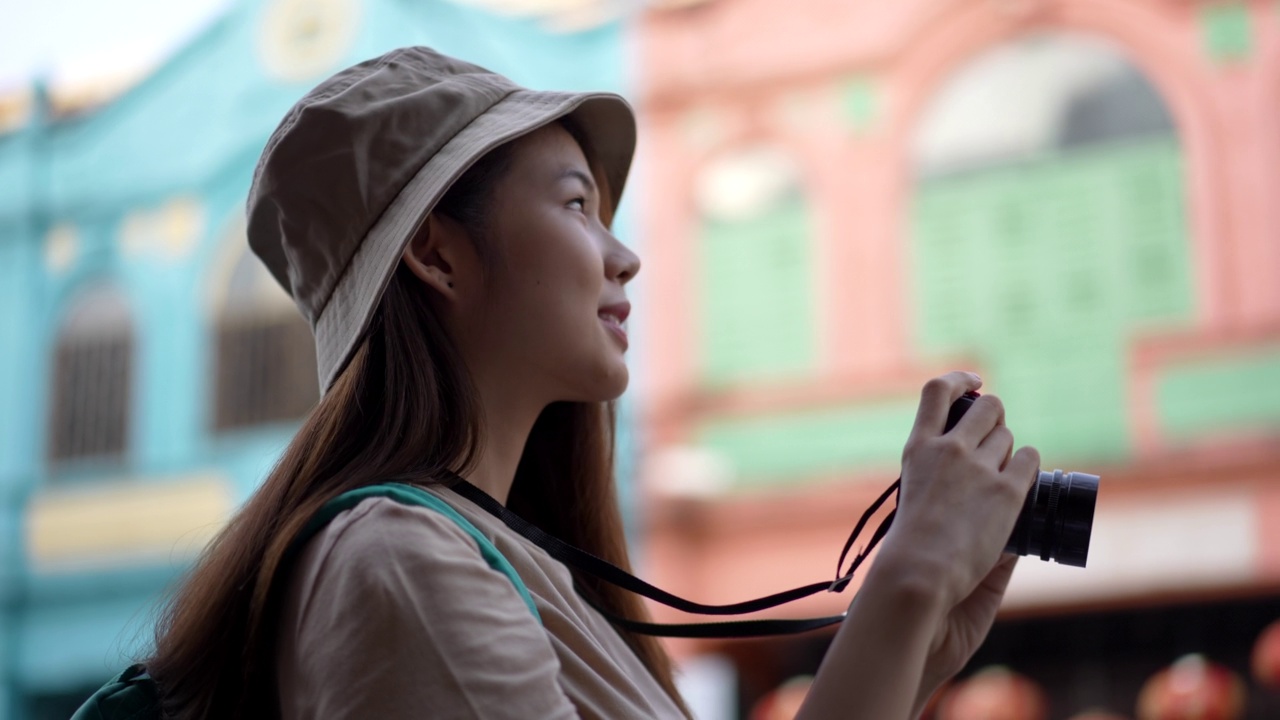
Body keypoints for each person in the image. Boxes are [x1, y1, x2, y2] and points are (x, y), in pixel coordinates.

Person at [142, 46, 1040, 719]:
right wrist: (909, 581)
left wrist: (910, 642)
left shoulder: (484, 557)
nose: (625, 256)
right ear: (434, 253)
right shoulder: (404, 563)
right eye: (576, 205)